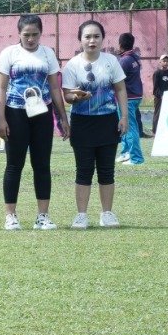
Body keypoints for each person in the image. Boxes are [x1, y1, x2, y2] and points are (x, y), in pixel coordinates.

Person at [0, 14, 69, 230]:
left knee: (42, 165)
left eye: (35, 34)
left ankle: (42, 216)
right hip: (15, 112)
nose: (30, 39)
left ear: (41, 34)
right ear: (19, 34)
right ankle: (11, 216)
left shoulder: (48, 54)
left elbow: (55, 87)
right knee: (14, 165)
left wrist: (62, 117)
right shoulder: (9, 53)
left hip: (42, 114)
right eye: (26, 35)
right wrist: (1, 119)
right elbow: (0, 88)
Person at [60, 19, 128, 228]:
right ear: (80, 40)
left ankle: (107, 213)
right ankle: (81, 215)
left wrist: (124, 116)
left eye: (96, 36)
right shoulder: (72, 65)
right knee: (84, 170)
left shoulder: (111, 61)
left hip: (108, 122)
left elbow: (120, 90)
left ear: (102, 39)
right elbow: (67, 96)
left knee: (107, 170)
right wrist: (77, 97)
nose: (92, 41)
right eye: (87, 37)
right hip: (82, 123)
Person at [115, 32, 145, 164]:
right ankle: (125, 152)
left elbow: (116, 79)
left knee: (130, 126)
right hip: (135, 95)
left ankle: (136, 158)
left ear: (120, 44)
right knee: (123, 125)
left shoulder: (124, 60)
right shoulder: (135, 57)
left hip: (128, 98)